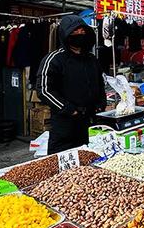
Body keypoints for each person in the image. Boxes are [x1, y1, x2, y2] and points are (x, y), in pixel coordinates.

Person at [36, 15, 106, 154]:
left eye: (82, 31)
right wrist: (69, 109)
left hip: (90, 122)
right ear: (65, 34)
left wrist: (101, 104)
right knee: (63, 164)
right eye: (74, 32)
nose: (79, 34)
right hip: (65, 124)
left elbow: (100, 84)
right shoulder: (54, 59)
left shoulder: (92, 59)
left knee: (90, 163)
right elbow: (44, 91)